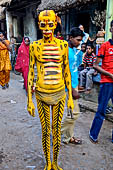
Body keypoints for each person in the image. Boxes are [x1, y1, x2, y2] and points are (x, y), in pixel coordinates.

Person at [27, 10, 74, 170]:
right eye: (43, 25)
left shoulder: (63, 45)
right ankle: (48, 163)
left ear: (55, 24)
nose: (47, 29)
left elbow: (66, 71)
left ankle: (55, 162)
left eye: (50, 25)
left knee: (57, 130)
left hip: (60, 93)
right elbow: (31, 72)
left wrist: (71, 100)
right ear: (39, 26)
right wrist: (29, 101)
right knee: (46, 130)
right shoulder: (34, 46)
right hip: (41, 94)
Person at [89, 20, 113, 144]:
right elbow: (96, 65)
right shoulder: (105, 46)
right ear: (111, 29)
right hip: (107, 82)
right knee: (101, 109)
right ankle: (93, 134)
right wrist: (109, 74)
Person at [61, 27, 84, 144]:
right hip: (67, 87)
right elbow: (63, 71)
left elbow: (76, 66)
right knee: (73, 114)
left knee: (71, 113)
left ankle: (68, 138)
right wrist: (71, 89)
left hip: (73, 85)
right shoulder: (64, 50)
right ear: (70, 38)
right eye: (78, 40)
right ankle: (57, 131)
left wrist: (81, 51)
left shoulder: (74, 50)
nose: (79, 42)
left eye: (81, 40)